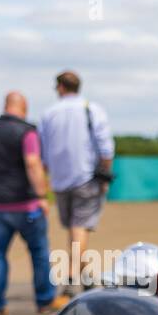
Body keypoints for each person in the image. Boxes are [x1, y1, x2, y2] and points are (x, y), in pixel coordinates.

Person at [0, 92, 65, 315]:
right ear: (24, 107)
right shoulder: (27, 131)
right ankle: (45, 300)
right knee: (39, 252)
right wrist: (41, 195)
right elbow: (32, 163)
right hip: (26, 204)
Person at [38, 70, 113, 292]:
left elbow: (42, 149)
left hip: (59, 179)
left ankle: (84, 274)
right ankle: (72, 278)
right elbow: (106, 148)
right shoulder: (92, 109)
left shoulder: (48, 113)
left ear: (60, 87)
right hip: (86, 177)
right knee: (80, 228)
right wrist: (105, 174)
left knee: (73, 229)